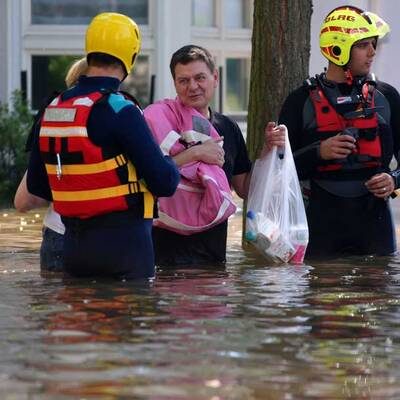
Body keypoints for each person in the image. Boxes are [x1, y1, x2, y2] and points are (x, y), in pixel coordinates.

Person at [25, 12, 180, 279]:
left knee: (82, 319)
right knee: (128, 318)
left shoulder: (53, 108)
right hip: (126, 253)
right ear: (130, 56)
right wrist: (168, 162)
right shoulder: (120, 108)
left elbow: (37, 186)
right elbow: (164, 182)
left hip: (74, 254)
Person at [144, 45, 285, 266]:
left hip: (213, 256)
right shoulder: (160, 122)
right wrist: (196, 153)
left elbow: (245, 189)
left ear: (215, 77)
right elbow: (152, 176)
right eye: (183, 80)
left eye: (200, 77)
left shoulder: (228, 128)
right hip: (164, 258)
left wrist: (267, 150)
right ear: (175, 84)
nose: (193, 87)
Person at [278, 5, 400, 257]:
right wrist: (318, 152)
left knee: (379, 294)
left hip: (375, 225)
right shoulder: (299, 101)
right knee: (320, 291)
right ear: (339, 48)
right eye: (363, 45)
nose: (372, 52)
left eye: (373, 44)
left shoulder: (386, 97)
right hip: (321, 225)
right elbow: (281, 172)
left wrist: (393, 180)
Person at [15, 57, 88, 272]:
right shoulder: (119, 117)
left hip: (59, 233)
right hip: (112, 239)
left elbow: (22, 201)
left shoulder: (54, 125)